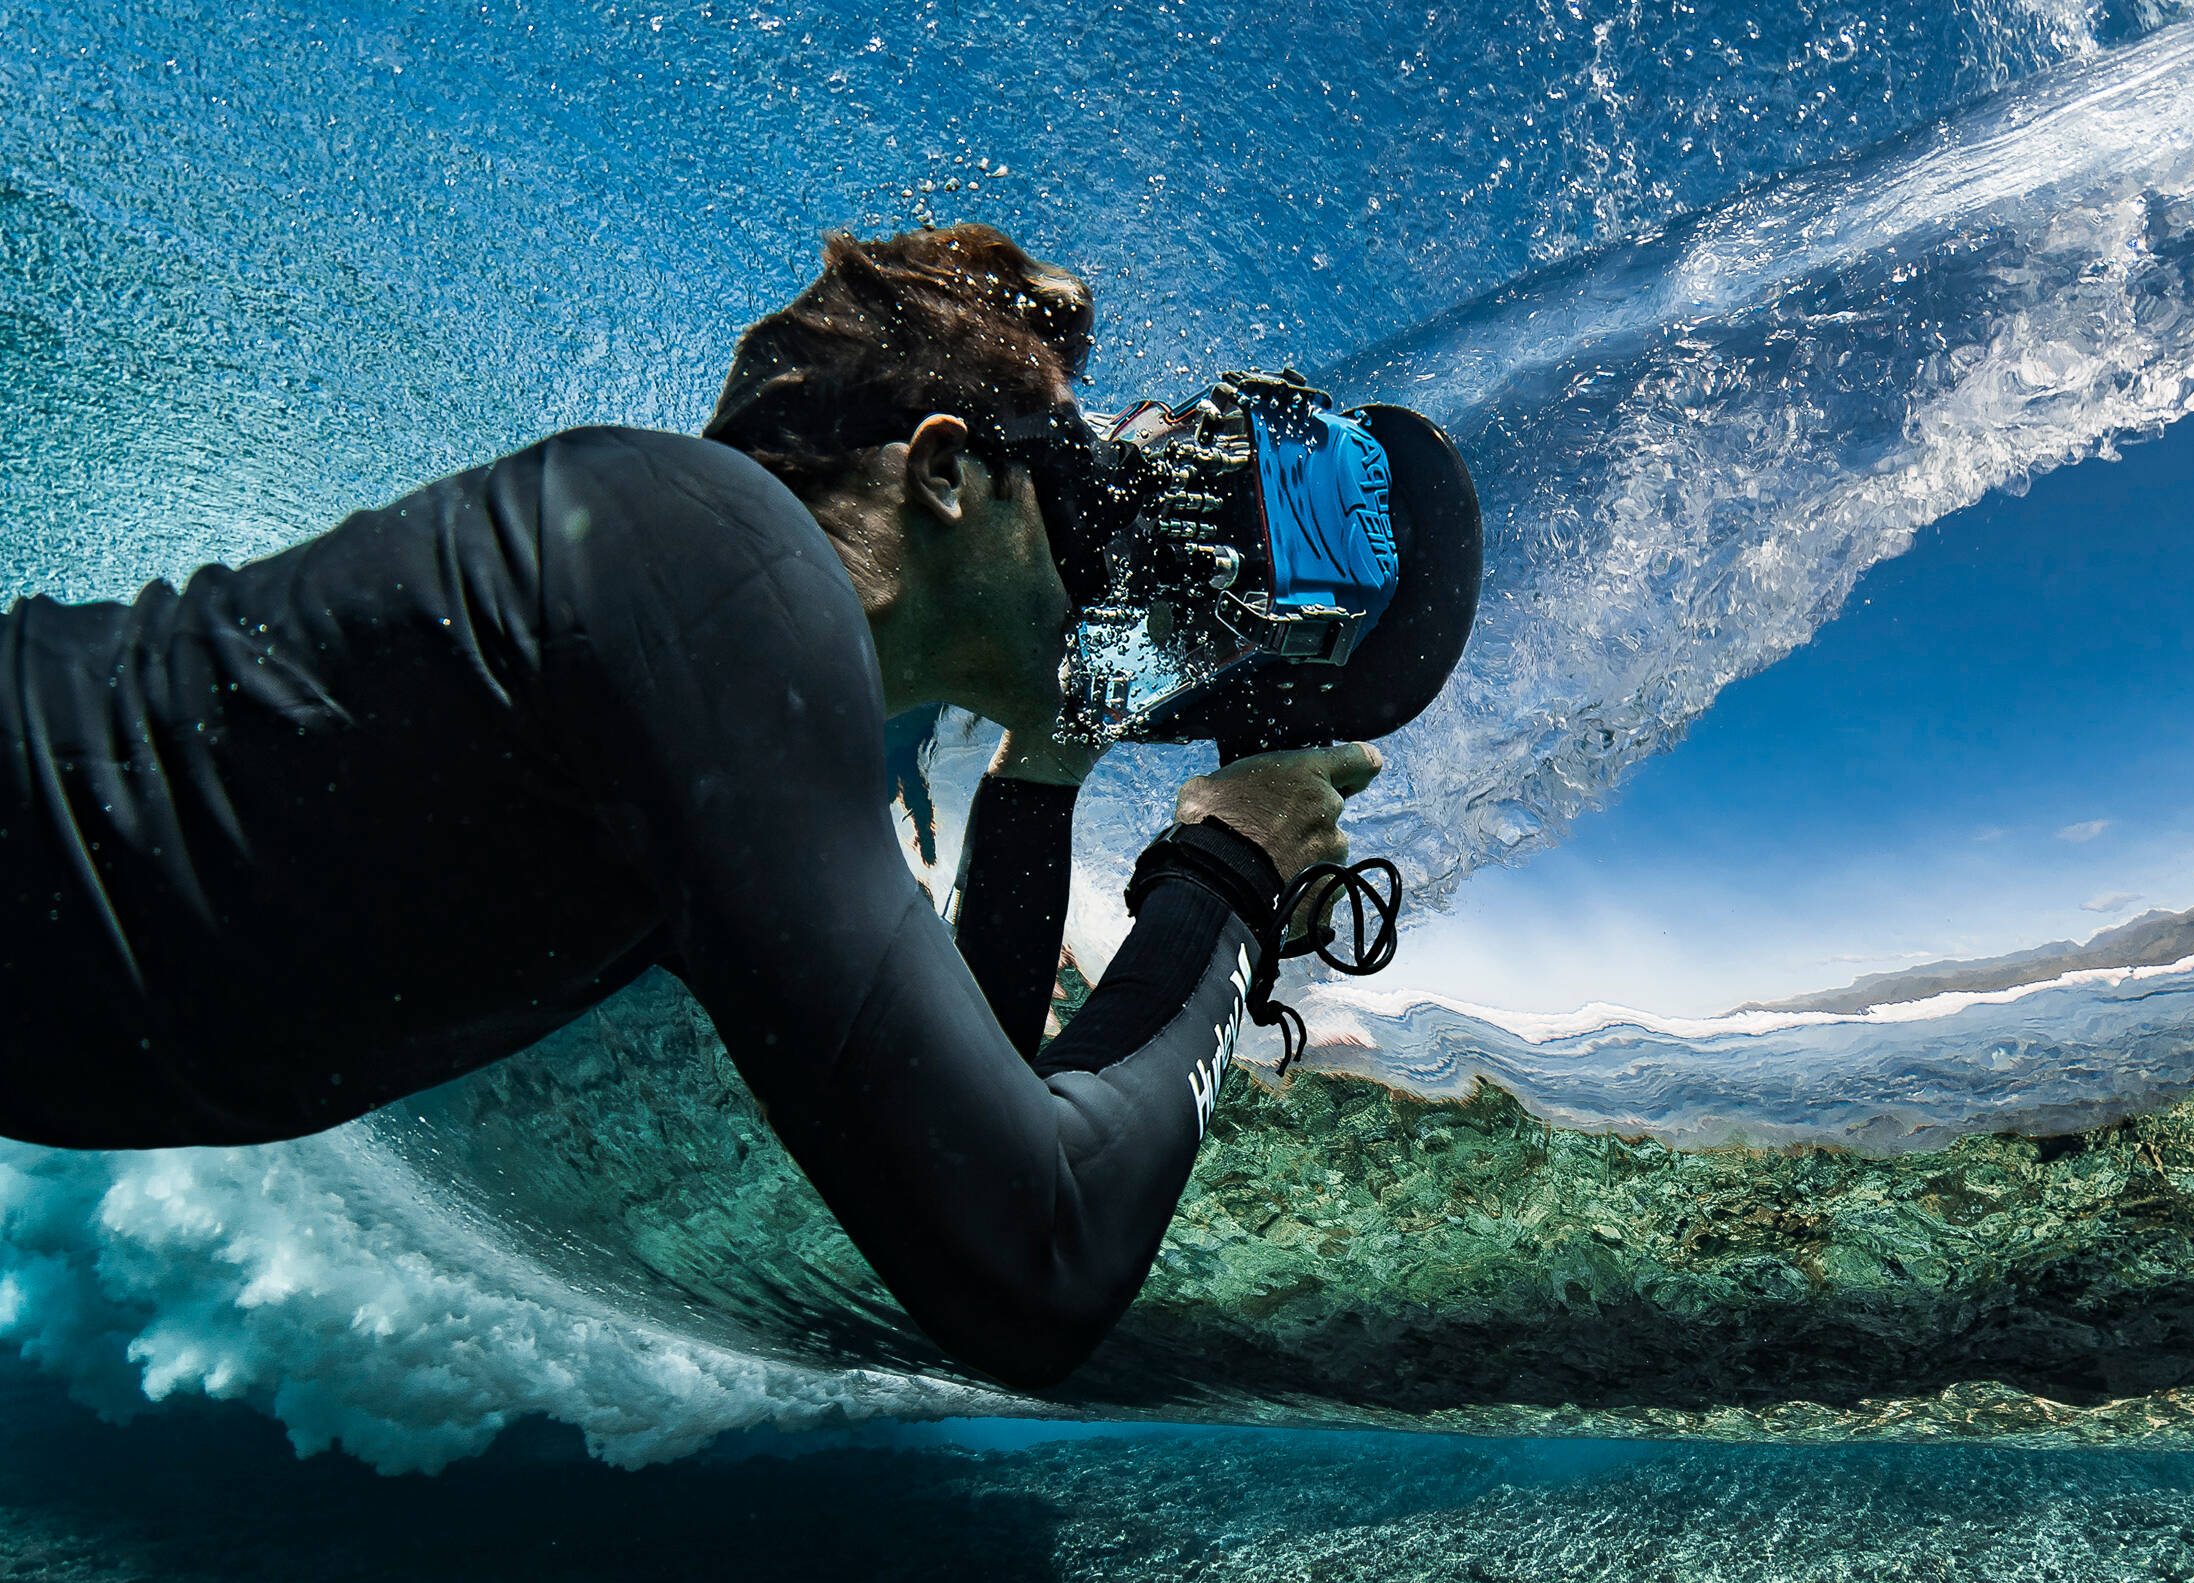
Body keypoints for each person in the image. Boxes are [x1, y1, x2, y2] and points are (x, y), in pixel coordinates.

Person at [0, 224, 1381, 1391]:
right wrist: (1230, 870)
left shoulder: (726, 669)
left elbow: (987, 1118)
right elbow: (1039, 1259)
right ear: (945, 470)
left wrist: (1044, 775)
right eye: (1068, 479)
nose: (1100, 540)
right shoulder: (728, 573)